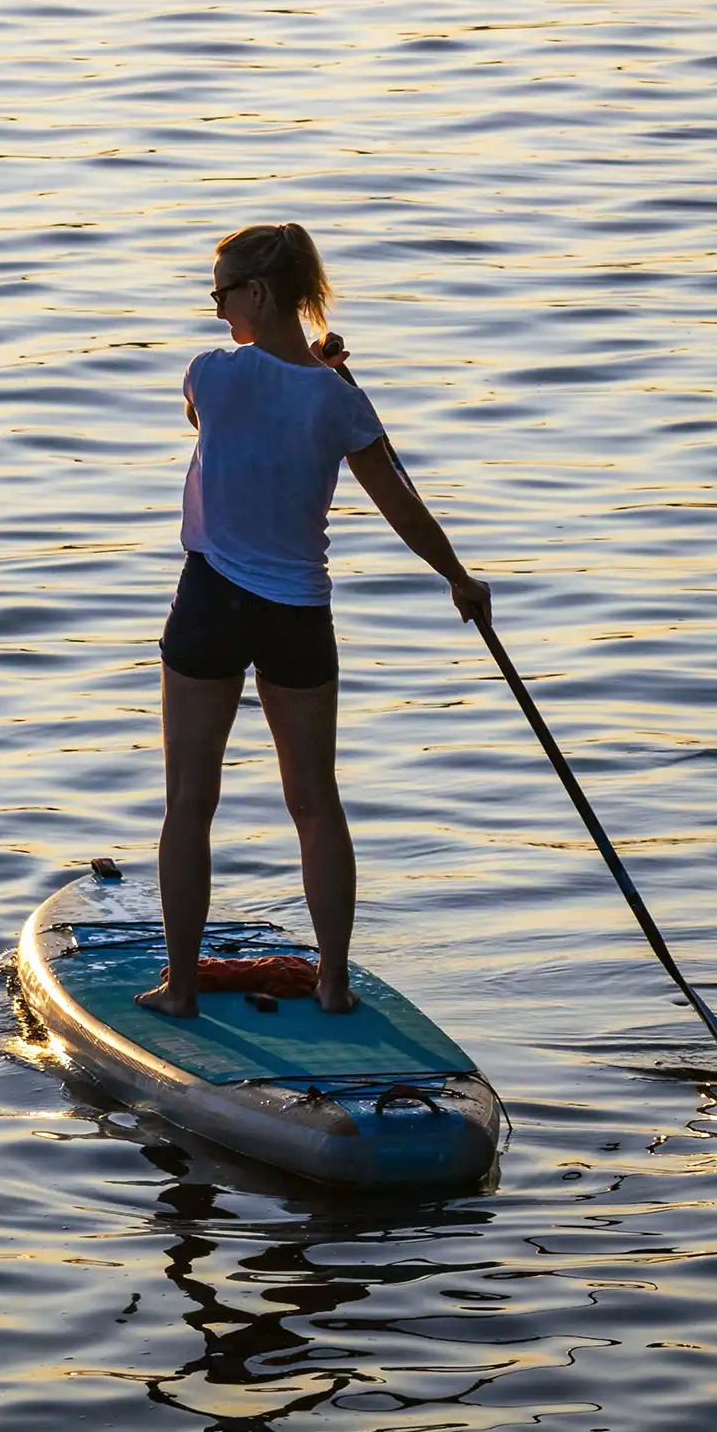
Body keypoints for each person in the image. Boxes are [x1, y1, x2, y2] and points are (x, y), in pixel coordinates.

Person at [136, 222, 491, 1019]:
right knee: (315, 803)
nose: (217, 308)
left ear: (257, 293)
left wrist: (308, 374)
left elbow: (207, 419)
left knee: (190, 803)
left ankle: (182, 989)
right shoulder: (340, 401)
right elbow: (399, 498)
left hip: (211, 603)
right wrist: (458, 579)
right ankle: (332, 984)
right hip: (298, 611)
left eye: (222, 292)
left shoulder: (210, 374)